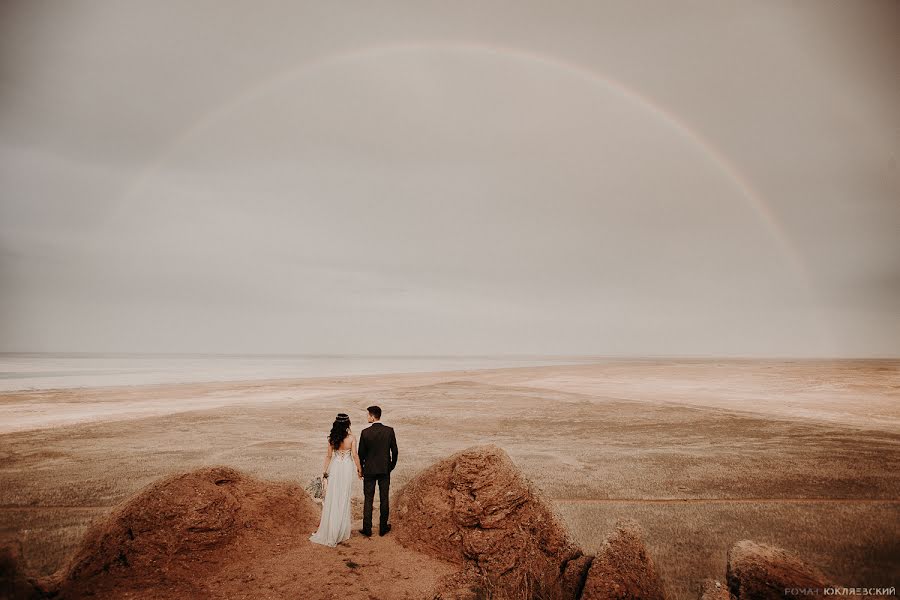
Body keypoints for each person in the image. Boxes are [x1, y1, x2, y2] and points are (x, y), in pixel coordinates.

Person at [309, 413, 362, 547]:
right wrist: (359, 469)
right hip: (346, 468)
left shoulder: (332, 438)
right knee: (343, 497)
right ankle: (340, 531)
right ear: (347, 424)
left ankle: (331, 530)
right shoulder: (351, 438)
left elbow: (328, 456)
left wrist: (325, 471)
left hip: (335, 467)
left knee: (333, 498)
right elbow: (355, 455)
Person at [357, 405, 398, 537]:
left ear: (373, 416)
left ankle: (367, 529)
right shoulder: (389, 431)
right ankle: (383, 528)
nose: (367, 417)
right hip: (384, 469)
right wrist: (391, 466)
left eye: (368, 415)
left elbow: (361, 454)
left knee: (368, 499)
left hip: (369, 470)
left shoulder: (365, 432)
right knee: (384, 498)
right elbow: (395, 451)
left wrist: (361, 469)